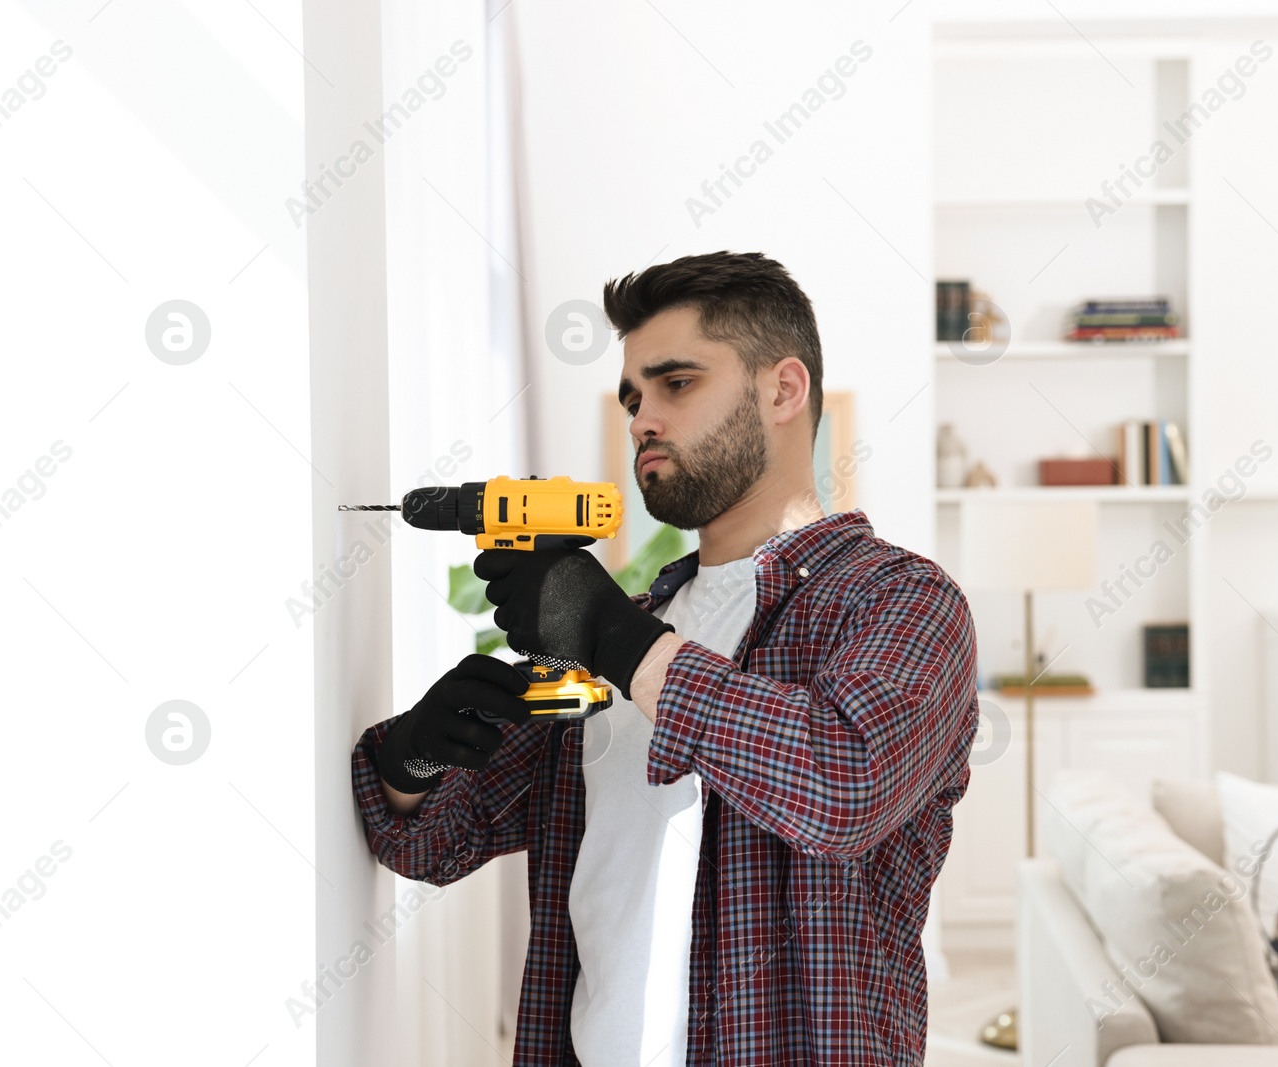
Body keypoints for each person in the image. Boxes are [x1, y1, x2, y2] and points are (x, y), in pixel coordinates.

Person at [351, 250, 979, 1066]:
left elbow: (842, 782)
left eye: (676, 384)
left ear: (784, 389)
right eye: (632, 397)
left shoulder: (898, 601)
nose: (643, 418)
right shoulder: (626, 640)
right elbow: (431, 843)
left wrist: (614, 635)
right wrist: (419, 752)